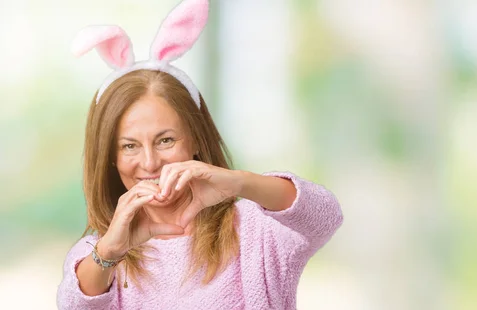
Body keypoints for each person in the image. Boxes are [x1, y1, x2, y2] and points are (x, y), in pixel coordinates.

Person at [56, 1, 343, 309]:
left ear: (194, 138)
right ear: (110, 157)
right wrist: (109, 253)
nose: (150, 163)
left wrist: (240, 183)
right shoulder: (97, 255)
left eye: (165, 140)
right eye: (129, 146)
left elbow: (325, 217)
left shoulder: (254, 230)